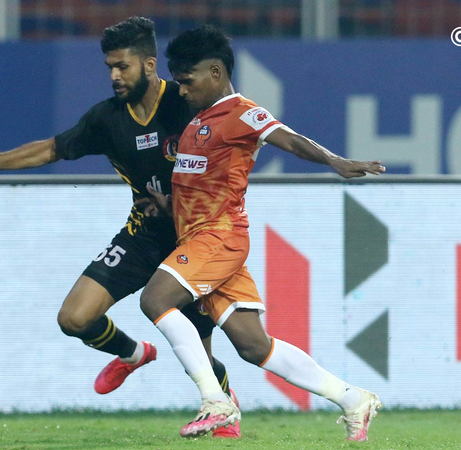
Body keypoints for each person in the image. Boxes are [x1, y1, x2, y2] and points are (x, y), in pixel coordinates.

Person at [0, 17, 241, 438]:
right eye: (110, 67)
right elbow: (51, 149)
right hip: (142, 237)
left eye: (123, 66)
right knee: (74, 318)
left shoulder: (186, 102)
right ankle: (133, 354)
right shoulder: (106, 119)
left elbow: (232, 141)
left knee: (200, 356)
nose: (114, 76)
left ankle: (225, 407)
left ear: (150, 65)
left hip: (194, 240)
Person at [138, 24, 386, 440]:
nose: (181, 90)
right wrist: (169, 206)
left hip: (218, 239)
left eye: (187, 80)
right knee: (253, 346)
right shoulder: (198, 122)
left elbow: (288, 139)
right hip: (203, 242)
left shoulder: (240, 112)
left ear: (216, 72)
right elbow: (201, 185)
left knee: (155, 299)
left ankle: (216, 401)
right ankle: (353, 399)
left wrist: (335, 162)